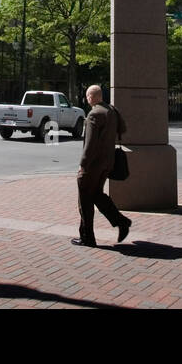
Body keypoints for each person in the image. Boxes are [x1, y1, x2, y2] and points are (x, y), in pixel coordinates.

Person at [74, 85, 131, 247]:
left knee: (84, 200)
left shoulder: (94, 114)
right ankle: (121, 221)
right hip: (108, 163)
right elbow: (123, 129)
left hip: (93, 165)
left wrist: (83, 164)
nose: (87, 100)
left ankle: (87, 238)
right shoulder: (112, 111)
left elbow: (90, 144)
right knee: (97, 195)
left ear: (92, 97)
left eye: (87, 97)